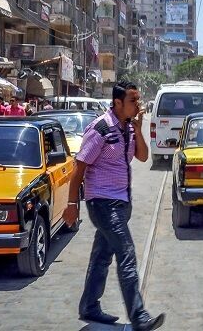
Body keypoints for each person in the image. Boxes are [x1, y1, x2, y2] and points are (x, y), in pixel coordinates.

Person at [64, 82, 164, 331]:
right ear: (118, 103)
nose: (138, 105)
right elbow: (79, 167)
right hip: (103, 203)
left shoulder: (128, 128)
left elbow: (142, 157)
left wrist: (139, 130)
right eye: (133, 101)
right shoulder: (100, 128)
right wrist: (71, 203)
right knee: (127, 255)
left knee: (101, 257)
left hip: (121, 203)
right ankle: (139, 316)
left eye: (138, 100)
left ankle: (89, 306)